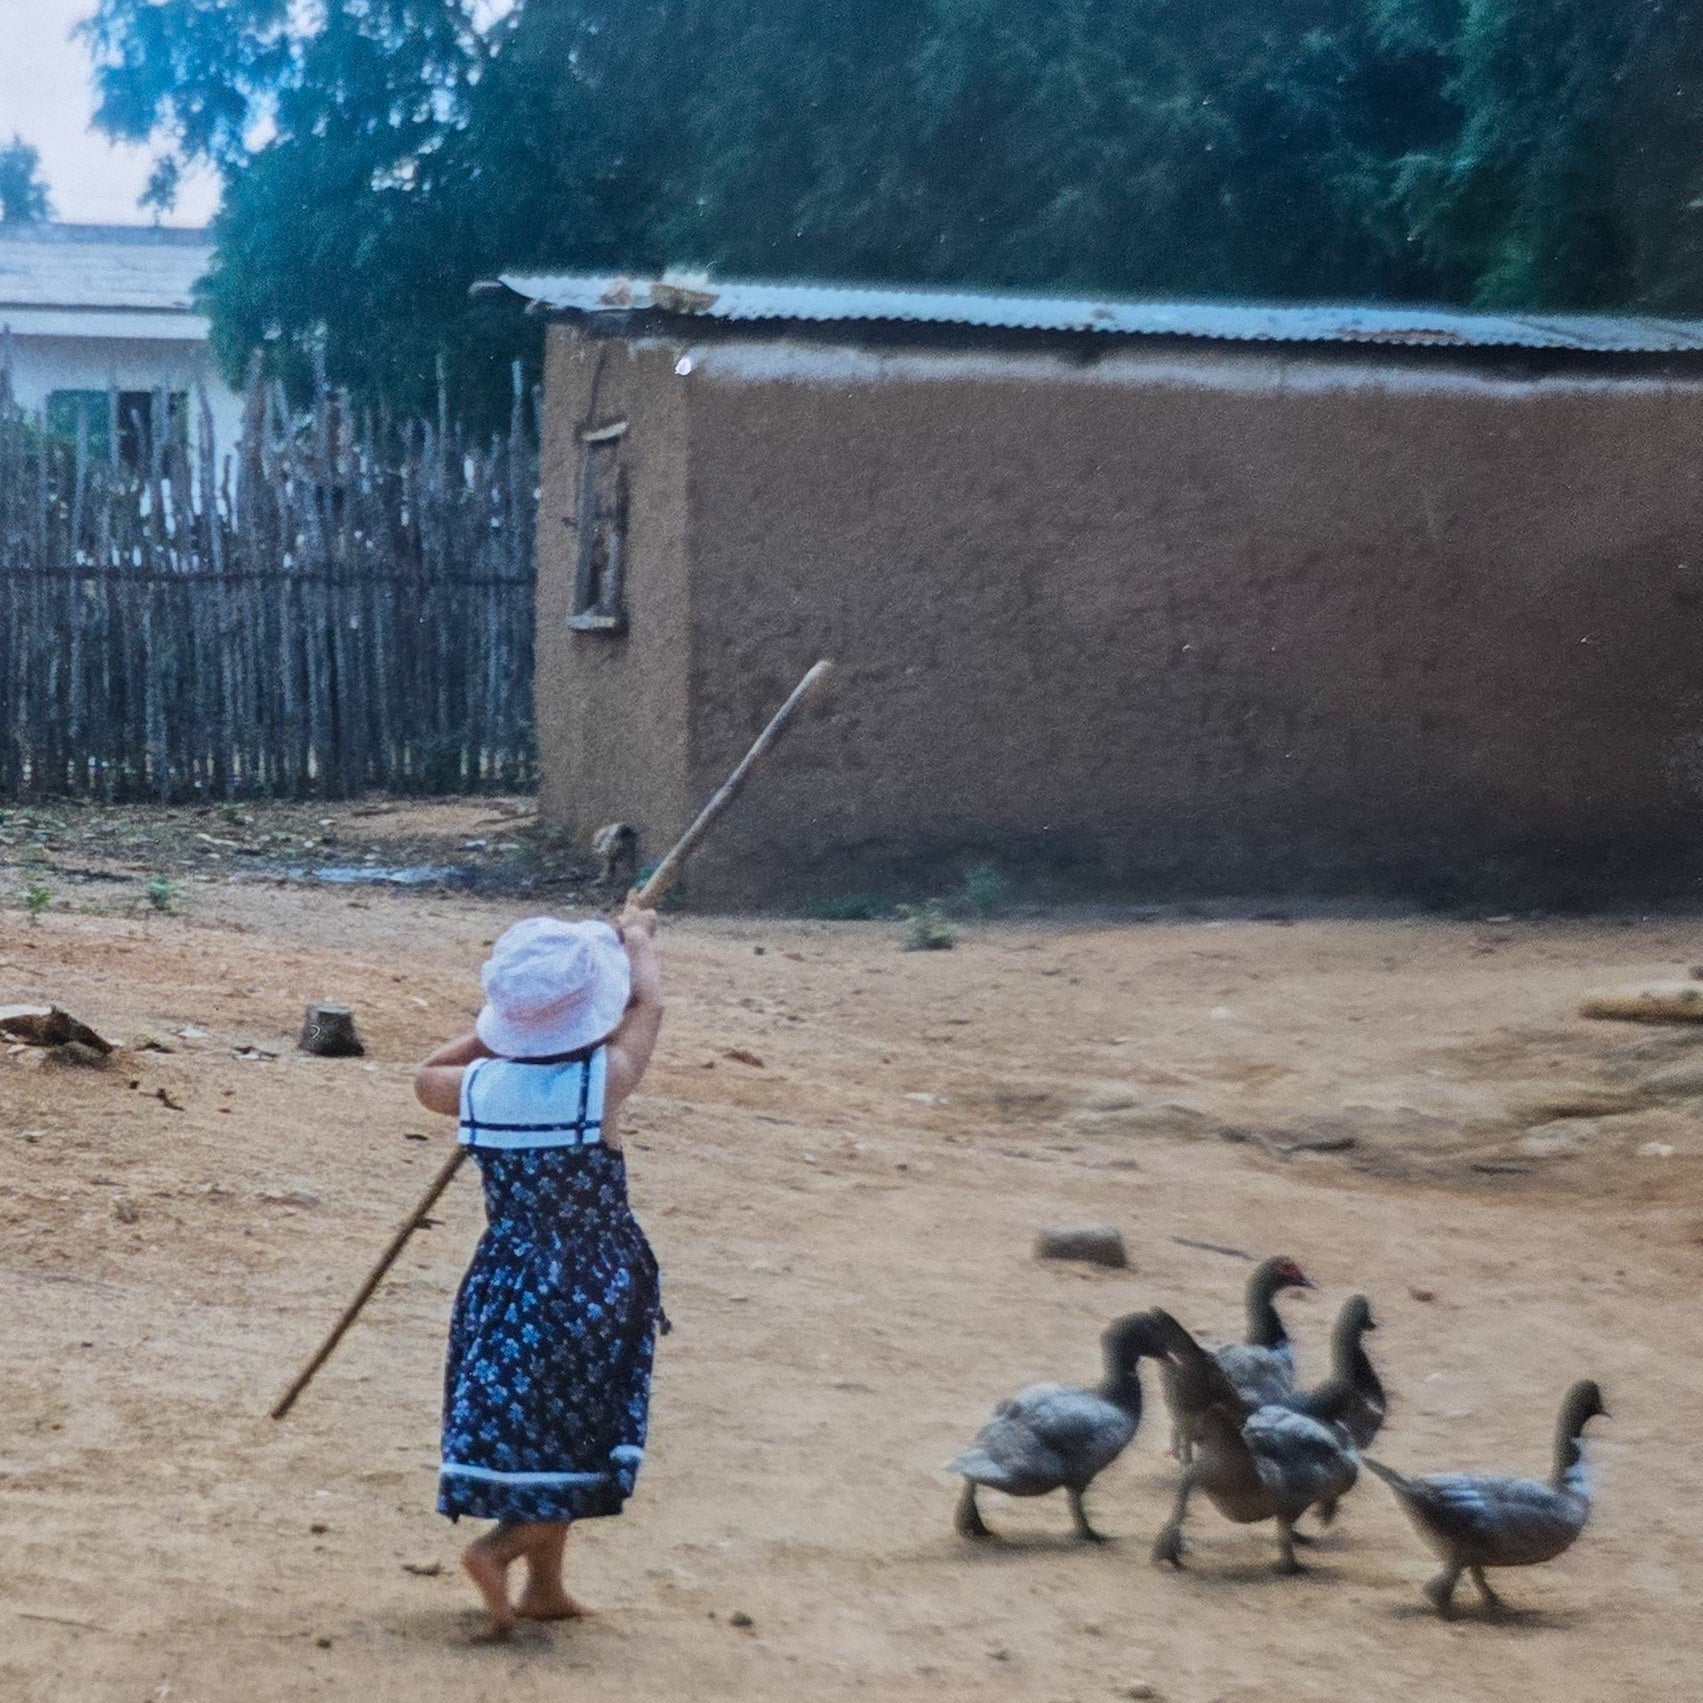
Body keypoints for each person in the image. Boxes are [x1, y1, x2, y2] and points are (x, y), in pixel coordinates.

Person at [413, 899, 666, 1633]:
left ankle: (543, 1588)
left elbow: (425, 1071)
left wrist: (499, 1033)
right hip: (591, 1282)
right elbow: (649, 1001)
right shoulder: (604, 1081)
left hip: (506, 1277)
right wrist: (639, 939)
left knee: (535, 1430)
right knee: (578, 1432)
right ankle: (499, 1550)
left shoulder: (476, 1088)